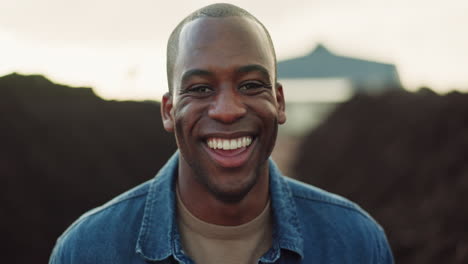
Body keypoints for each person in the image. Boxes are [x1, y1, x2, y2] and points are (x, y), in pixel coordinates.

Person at [49, 3, 394, 263]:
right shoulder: (86, 250)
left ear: (279, 102)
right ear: (169, 111)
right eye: (200, 89)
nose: (228, 110)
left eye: (250, 85)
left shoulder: (356, 244)